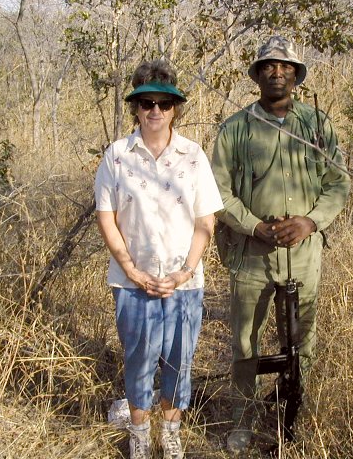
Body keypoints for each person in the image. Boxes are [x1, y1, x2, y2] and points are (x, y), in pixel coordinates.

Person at [211, 36, 351, 451]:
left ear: (296, 75)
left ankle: (296, 416)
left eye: (285, 67)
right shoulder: (235, 128)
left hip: (304, 254)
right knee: (243, 341)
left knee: (302, 340)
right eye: (269, 67)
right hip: (252, 254)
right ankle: (242, 420)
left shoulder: (317, 124)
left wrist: (310, 221)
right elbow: (216, 192)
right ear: (257, 75)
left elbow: (338, 184)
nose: (277, 73)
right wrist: (254, 226)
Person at [95, 60, 223, 459]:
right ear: (134, 105)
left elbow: (206, 220)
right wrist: (132, 270)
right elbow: (108, 219)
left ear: (175, 108)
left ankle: (170, 435)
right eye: (146, 102)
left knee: (179, 363)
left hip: (184, 285)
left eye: (164, 104)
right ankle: (139, 435)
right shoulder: (117, 155)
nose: (155, 111)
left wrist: (184, 272)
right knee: (138, 360)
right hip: (133, 284)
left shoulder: (194, 155)